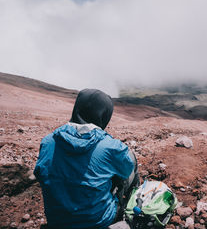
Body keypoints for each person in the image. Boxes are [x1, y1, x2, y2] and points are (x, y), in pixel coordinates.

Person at [34, 89, 139, 229]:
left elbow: (41, 175)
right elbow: (127, 170)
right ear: (104, 115)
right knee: (129, 160)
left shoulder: (48, 141)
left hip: (56, 221)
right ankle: (131, 205)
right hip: (98, 221)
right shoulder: (110, 147)